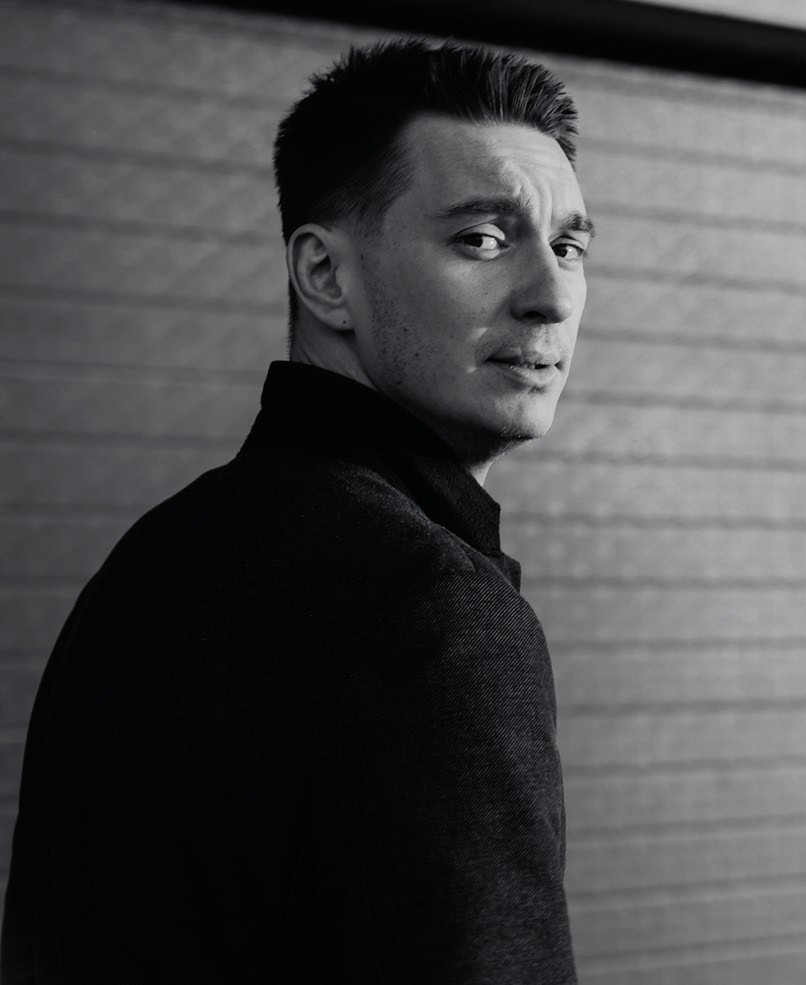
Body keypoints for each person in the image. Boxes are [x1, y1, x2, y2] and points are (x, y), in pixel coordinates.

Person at [2, 38, 593, 984]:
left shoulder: (153, 556)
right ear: (324, 276)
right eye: (482, 238)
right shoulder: (434, 613)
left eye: (567, 246)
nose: (551, 295)